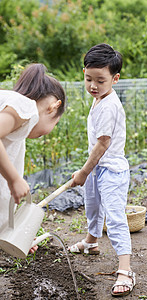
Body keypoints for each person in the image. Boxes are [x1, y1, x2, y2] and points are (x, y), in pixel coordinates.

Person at [68, 43, 136, 297]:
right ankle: (91, 242)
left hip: (112, 171)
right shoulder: (99, 98)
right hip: (98, 169)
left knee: (115, 218)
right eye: (88, 79)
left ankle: (125, 269)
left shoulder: (108, 106)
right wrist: (89, 171)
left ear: (115, 79)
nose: (93, 85)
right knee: (93, 206)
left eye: (100, 80)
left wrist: (84, 171)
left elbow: (103, 143)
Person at [0, 63, 65, 253]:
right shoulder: (26, 108)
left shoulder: (16, 120)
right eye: (55, 123)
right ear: (54, 107)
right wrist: (14, 180)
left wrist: (14, 235)